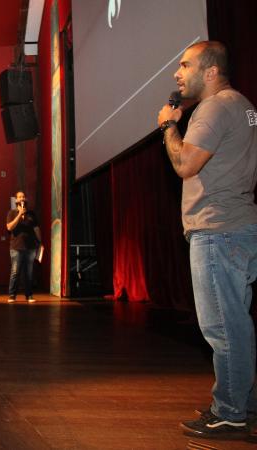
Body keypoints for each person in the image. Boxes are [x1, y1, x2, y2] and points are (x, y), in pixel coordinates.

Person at [156, 40, 257, 440]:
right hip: (239, 224)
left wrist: (168, 126)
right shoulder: (244, 105)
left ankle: (230, 412)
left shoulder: (214, 108)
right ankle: (243, 403)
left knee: (222, 327)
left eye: (185, 66)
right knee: (236, 323)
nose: (177, 74)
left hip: (217, 229)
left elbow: (185, 164)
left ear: (210, 71)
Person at [5, 191, 41, 303]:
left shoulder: (31, 214)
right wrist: (19, 214)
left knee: (29, 273)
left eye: (23, 196)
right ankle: (12, 296)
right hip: (16, 248)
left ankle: (29, 296)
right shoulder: (12, 213)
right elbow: (9, 228)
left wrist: (40, 242)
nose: (22, 198)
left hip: (30, 248)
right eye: (20, 197)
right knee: (15, 272)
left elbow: (36, 229)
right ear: (16, 200)